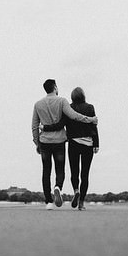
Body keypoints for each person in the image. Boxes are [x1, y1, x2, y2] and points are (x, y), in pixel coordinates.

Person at [32, 79, 98, 210]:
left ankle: (49, 202)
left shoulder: (38, 104)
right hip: (60, 141)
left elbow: (34, 125)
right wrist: (91, 120)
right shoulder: (62, 101)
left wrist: (36, 142)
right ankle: (58, 187)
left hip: (45, 141)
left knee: (46, 170)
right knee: (61, 169)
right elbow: (74, 116)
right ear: (55, 87)